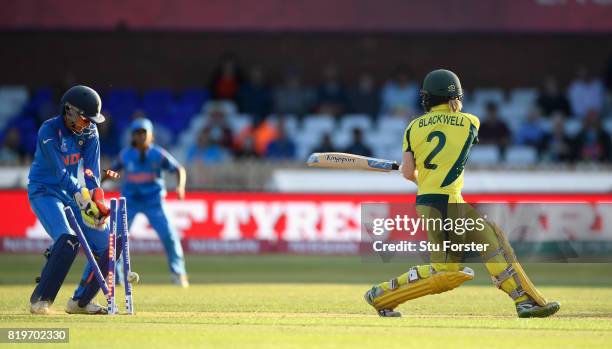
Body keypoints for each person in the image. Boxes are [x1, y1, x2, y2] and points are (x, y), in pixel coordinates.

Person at [363, 69, 560, 318]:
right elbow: (451, 152)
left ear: (427, 98)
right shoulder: (470, 122)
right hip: (446, 202)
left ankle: (525, 300)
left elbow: (409, 173)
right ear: (454, 96)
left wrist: (416, 174)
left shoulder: (412, 127)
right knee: (445, 272)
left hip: (436, 200)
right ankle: (381, 296)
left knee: (492, 240)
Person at [28, 85, 112, 315]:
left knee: (108, 245)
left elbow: (91, 173)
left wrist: (96, 200)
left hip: (72, 194)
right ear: (69, 110)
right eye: (85, 118)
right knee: (68, 239)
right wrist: (81, 196)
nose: (88, 124)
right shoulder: (48, 131)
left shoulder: (90, 132)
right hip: (44, 191)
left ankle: (80, 302)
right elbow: (59, 173)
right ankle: (40, 299)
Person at [110, 118, 189, 287]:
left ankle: (178, 273)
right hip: (129, 201)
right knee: (117, 239)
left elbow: (178, 169)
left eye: (144, 133)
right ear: (132, 136)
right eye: (137, 133)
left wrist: (180, 187)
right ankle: (117, 277)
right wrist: (102, 181)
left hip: (154, 201)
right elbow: (112, 171)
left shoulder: (158, 154)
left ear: (151, 135)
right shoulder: (125, 155)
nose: (141, 136)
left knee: (169, 236)